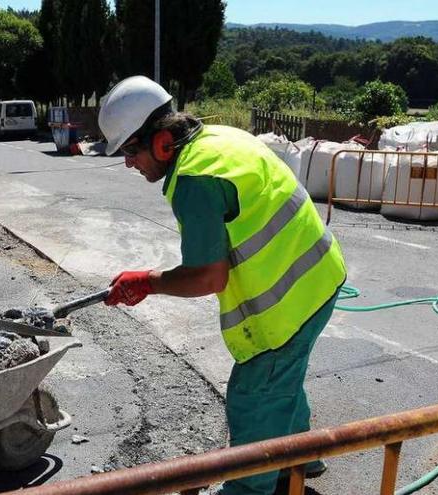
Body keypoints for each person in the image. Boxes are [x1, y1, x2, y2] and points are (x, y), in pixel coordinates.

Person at [98, 76, 347, 495]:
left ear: (161, 143)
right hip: (320, 274)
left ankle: (250, 488)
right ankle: (301, 459)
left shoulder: (194, 180)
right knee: (283, 378)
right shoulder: (220, 139)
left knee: (254, 394)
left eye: (130, 150)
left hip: (287, 303)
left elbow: (208, 276)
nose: (128, 163)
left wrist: (147, 282)